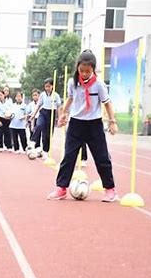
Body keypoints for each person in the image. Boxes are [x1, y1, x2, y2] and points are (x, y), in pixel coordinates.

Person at [47, 49, 119, 202]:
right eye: (82, 70)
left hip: (94, 125)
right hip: (76, 124)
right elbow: (71, 99)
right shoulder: (73, 82)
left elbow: (107, 104)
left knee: (102, 158)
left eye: (88, 71)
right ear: (77, 68)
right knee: (68, 157)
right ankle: (61, 188)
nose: (85, 74)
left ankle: (110, 189)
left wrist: (112, 122)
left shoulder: (99, 84)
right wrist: (63, 114)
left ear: (93, 69)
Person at [29, 78, 62, 159]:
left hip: (52, 113)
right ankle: (33, 141)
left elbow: (58, 107)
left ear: (52, 86)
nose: (47, 88)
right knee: (39, 125)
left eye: (49, 86)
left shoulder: (56, 95)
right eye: (46, 86)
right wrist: (34, 114)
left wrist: (59, 117)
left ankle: (45, 151)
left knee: (48, 134)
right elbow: (39, 105)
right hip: (43, 112)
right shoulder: (43, 95)